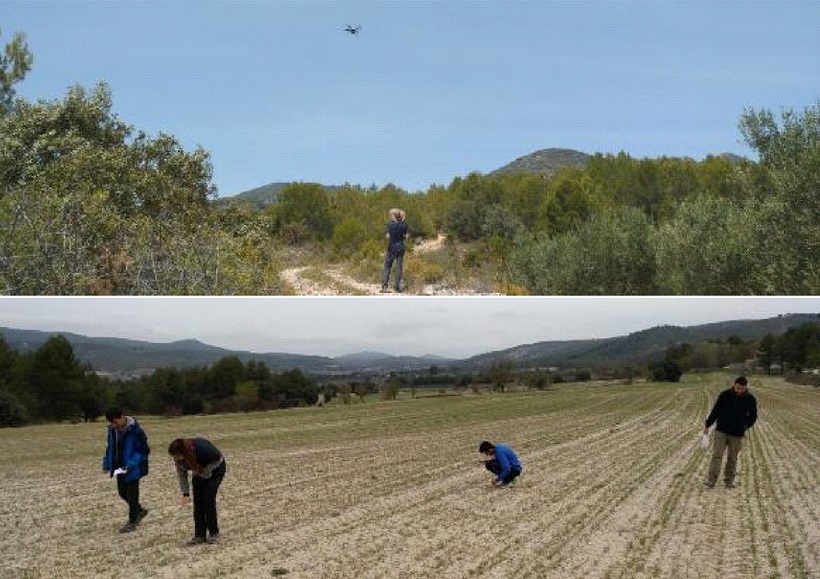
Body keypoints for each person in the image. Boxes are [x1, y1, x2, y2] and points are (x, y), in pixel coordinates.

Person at [169, 437, 227, 545]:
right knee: (198, 504)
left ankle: (214, 533)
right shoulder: (180, 461)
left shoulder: (203, 449)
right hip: (199, 472)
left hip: (216, 469)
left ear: (184, 452)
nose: (176, 459)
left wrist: (205, 473)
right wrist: (186, 493)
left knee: (208, 501)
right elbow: (182, 476)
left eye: (177, 456)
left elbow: (218, 459)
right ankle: (199, 535)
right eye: (174, 457)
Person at [703, 376, 758, 488]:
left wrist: (745, 426)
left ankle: (729, 481)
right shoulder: (725, 395)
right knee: (717, 455)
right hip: (721, 430)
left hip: (737, 433)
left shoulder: (750, 399)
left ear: (746, 387)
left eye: (742, 389)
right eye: (737, 388)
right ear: (734, 385)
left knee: (732, 458)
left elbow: (753, 416)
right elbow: (716, 410)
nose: (739, 391)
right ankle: (711, 480)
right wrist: (708, 424)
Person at [102, 407, 150, 533]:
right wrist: (107, 462)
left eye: (115, 422)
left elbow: (144, 451)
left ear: (122, 417)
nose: (114, 425)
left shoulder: (136, 431)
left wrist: (131, 464)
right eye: (112, 423)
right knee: (122, 492)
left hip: (134, 468)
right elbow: (110, 447)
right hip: (120, 467)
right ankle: (139, 510)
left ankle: (132, 521)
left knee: (132, 495)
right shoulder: (112, 431)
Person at [381, 208, 408, 293]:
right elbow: (406, 237)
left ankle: (384, 286)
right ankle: (397, 286)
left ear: (393, 216)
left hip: (391, 248)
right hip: (400, 247)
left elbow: (387, 236)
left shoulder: (389, 225)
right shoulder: (404, 225)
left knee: (387, 266)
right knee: (399, 267)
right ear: (401, 216)